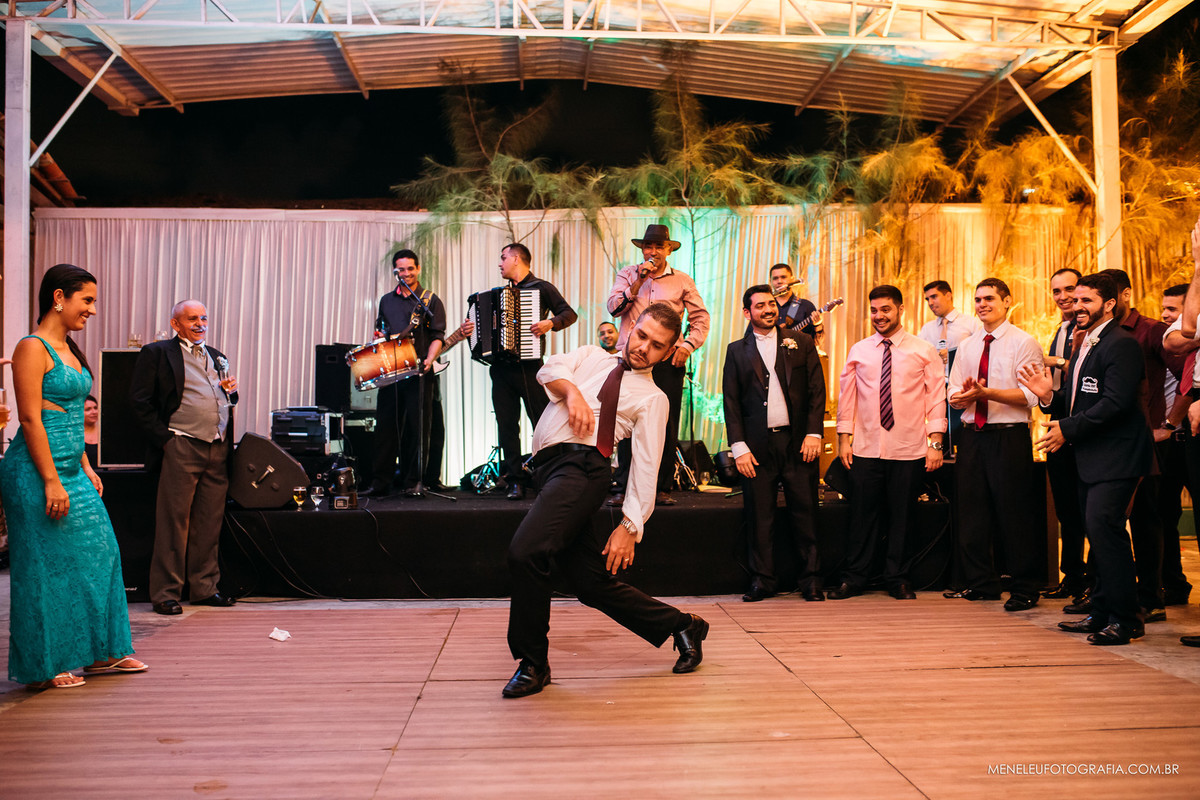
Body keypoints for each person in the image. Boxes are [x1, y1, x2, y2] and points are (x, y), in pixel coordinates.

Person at [503, 303, 708, 698]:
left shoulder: (653, 398)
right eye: (642, 335)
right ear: (630, 328)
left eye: (657, 345)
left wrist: (630, 525)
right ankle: (683, 625)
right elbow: (549, 369)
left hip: (582, 470)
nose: (644, 347)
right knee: (590, 584)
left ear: (668, 352)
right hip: (548, 471)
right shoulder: (591, 356)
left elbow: (646, 464)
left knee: (525, 552)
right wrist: (574, 395)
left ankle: (532, 663)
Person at [1, 264, 147, 688]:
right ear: (59, 298)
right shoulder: (32, 347)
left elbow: (70, 418)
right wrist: (51, 479)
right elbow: (31, 418)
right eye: (87, 300)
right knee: (46, 566)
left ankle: (102, 654)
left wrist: (84, 467)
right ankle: (44, 666)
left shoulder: (70, 348)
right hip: (35, 471)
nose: (92, 310)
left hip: (71, 468)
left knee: (102, 553)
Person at [1019, 272, 1153, 645]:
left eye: (1086, 300)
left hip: (1119, 455)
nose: (1076, 306)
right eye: (1075, 300)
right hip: (1091, 456)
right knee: (1098, 532)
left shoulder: (1122, 344)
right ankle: (1103, 612)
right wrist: (1049, 397)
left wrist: (1067, 428)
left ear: (1109, 304)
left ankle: (1127, 619)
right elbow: (1080, 400)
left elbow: (1116, 403)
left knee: (1106, 531)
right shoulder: (1086, 344)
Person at [830, 285, 946, 599]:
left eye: (885, 309)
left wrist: (935, 443)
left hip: (909, 448)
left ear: (900, 310)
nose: (879, 316)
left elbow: (936, 398)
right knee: (862, 517)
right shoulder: (859, 350)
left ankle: (898, 579)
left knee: (903, 517)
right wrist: (844, 439)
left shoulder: (923, 350)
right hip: (866, 448)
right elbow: (847, 398)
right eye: (874, 310)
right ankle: (855, 578)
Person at [129, 299, 239, 616]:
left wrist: (231, 393)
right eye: (192, 319)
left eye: (203, 318)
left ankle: (204, 588)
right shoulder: (157, 353)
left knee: (209, 523)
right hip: (181, 444)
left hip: (217, 447)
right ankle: (166, 593)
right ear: (175, 323)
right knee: (173, 523)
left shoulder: (217, 355)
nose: (200, 324)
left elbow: (224, 398)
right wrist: (166, 440)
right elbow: (139, 401)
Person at [945, 278, 1045, 610]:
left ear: (1007, 301)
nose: (982, 304)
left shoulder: (1024, 342)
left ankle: (1025, 587)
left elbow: (1032, 396)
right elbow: (953, 390)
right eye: (977, 299)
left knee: (1015, 513)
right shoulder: (968, 345)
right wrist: (961, 397)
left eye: (989, 298)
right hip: (972, 436)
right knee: (972, 512)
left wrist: (987, 393)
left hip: (1009, 436)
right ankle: (981, 583)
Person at [723, 285, 827, 602]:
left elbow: (816, 390)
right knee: (760, 517)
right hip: (756, 449)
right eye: (760, 306)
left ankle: (811, 580)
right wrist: (739, 447)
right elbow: (731, 402)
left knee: (806, 514)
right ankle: (763, 580)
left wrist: (814, 433)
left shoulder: (802, 342)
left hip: (798, 444)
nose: (769, 310)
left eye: (771, 304)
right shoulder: (736, 351)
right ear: (747, 312)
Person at [1099, 267, 1181, 624]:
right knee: (1109, 520)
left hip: (1147, 439)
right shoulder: (1097, 334)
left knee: (1147, 519)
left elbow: (1188, 375)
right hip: (1109, 441)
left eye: (1106, 296)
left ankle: (1151, 597)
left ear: (1124, 295)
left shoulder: (1151, 330)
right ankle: (1110, 598)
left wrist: (1169, 423)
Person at [607, 225, 710, 506]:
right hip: (631, 359)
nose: (652, 252)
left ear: (668, 250)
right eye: (648, 246)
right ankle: (623, 486)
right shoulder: (628, 274)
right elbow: (613, 308)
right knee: (625, 422)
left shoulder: (682, 280)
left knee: (665, 423)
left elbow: (701, 318)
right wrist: (638, 283)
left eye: (658, 247)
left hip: (667, 362)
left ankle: (661, 487)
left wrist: (687, 346)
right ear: (643, 249)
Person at [489, 242, 578, 500]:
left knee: (541, 422)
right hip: (501, 370)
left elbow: (569, 314)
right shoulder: (499, 295)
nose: (500, 263)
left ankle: (546, 476)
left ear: (517, 259)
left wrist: (550, 322)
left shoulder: (541, 288)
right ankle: (515, 480)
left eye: (503, 257)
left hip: (530, 369)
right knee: (506, 426)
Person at [368, 249, 446, 497]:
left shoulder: (430, 300)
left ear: (418, 269)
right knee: (385, 428)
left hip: (419, 373)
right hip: (391, 371)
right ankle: (380, 483)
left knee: (417, 429)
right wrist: (379, 336)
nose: (406, 273)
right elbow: (381, 330)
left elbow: (438, 336)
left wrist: (430, 359)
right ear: (395, 272)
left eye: (410, 268)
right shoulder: (386, 301)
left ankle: (413, 482)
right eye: (401, 269)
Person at [1041, 268, 1088, 602]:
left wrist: (1053, 360)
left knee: (1091, 511)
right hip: (1057, 419)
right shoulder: (1061, 328)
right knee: (1066, 509)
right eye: (1056, 291)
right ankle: (1072, 578)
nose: (1063, 297)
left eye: (1069, 289)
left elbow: (1080, 370)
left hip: (1084, 425)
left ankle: (1095, 583)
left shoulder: (1092, 330)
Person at [1159, 283, 1196, 607]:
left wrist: (1171, 423)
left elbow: (1188, 391)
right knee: (1163, 517)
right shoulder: (1165, 339)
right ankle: (1172, 584)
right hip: (1171, 443)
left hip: (1189, 434)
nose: (1165, 315)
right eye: (1164, 308)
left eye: (1173, 309)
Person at [917, 280, 979, 448]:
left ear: (948, 295)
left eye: (934, 297)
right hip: (935, 387)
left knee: (963, 437)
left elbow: (981, 352)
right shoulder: (927, 329)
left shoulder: (971, 323)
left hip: (962, 387)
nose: (930, 303)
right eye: (927, 299)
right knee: (940, 435)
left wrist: (954, 354)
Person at [770, 263, 823, 348]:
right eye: (775, 278)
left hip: (797, 355)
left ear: (792, 279)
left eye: (783, 277)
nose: (779, 281)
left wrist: (818, 324)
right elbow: (750, 337)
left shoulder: (806, 306)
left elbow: (817, 342)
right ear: (770, 281)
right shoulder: (765, 307)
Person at [83, 394, 99, 465]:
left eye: (95, 408)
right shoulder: (75, 436)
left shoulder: (105, 433)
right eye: (88, 409)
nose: (94, 412)